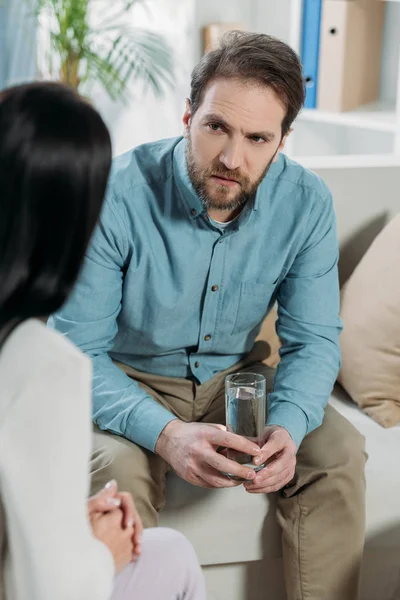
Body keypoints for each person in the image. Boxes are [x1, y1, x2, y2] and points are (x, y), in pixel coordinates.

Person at [50, 32, 367, 600]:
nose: (231, 157)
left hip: (236, 379)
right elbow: (76, 354)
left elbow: (314, 342)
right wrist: (166, 435)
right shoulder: (113, 194)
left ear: (282, 141)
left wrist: (289, 430)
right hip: (129, 377)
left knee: (337, 452)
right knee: (117, 474)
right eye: (217, 126)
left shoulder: (307, 203)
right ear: (188, 115)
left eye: (257, 138)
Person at [0, 82, 206, 600]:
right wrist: (100, 551)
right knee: (173, 555)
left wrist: (67, 528)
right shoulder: (43, 364)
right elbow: (49, 590)